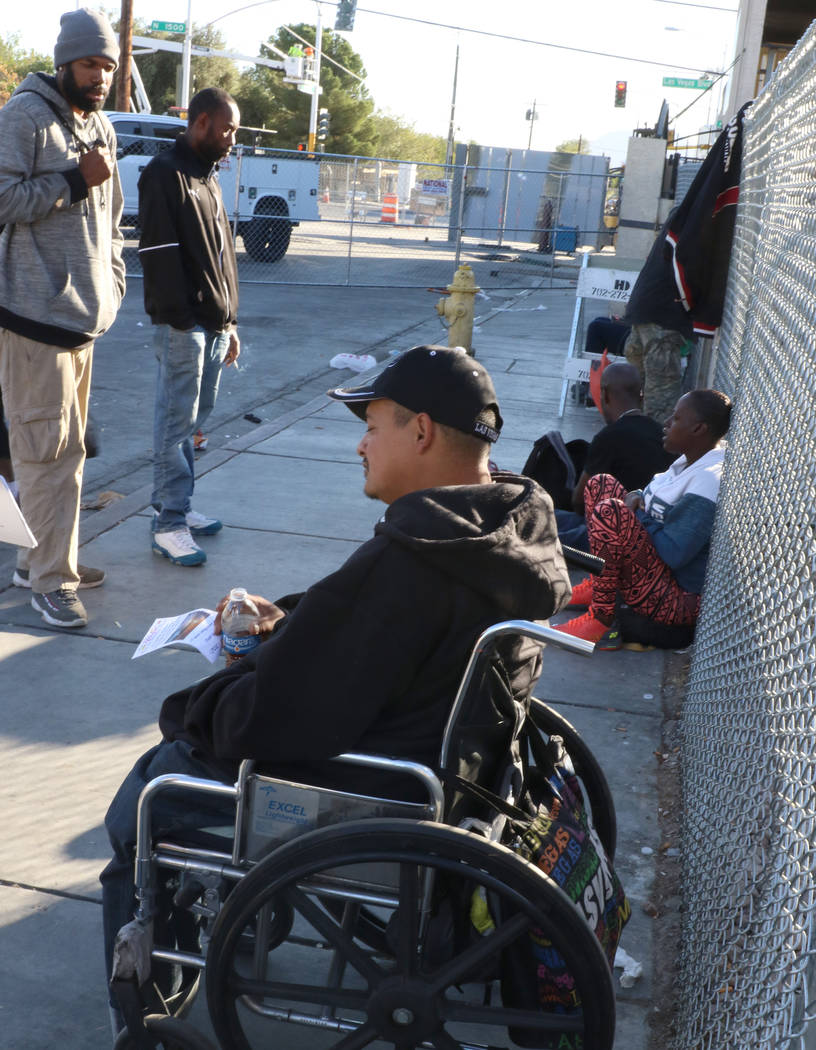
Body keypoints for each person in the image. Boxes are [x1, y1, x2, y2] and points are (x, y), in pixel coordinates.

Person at [100, 345, 572, 1031]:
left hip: (375, 787)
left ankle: (146, 1003)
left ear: (422, 432)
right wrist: (292, 620)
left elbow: (272, 718)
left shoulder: (415, 561)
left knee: (150, 791)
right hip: (438, 762)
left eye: (373, 426)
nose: (360, 445)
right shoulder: (502, 527)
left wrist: (204, 700)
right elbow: (365, 633)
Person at [0, 8, 124, 627]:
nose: (99, 75)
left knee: (69, 452)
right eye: (89, 64)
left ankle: (46, 561)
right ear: (64, 62)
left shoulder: (98, 123)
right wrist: (73, 180)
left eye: (107, 65)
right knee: (43, 455)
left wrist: (114, 284)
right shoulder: (24, 116)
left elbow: (114, 224)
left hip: (83, 321)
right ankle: (51, 580)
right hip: (33, 319)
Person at [138, 87, 241, 568]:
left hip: (214, 323)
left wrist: (231, 320)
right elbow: (158, 256)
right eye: (227, 129)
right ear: (201, 123)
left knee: (195, 422)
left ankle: (174, 504)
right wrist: (182, 319)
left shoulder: (209, 177)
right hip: (185, 326)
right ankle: (169, 525)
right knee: (175, 425)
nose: (231, 139)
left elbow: (223, 259)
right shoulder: (164, 173)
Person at [554, 388, 731, 649]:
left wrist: (634, 512)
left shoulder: (708, 479)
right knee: (601, 484)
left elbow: (674, 552)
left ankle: (603, 623)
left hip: (674, 598)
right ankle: (598, 584)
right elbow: (651, 498)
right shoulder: (688, 461)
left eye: (677, 418)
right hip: (652, 577)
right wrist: (637, 496)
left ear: (698, 429)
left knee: (611, 511)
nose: (667, 423)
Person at [554, 362, 674, 551]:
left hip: (617, 536)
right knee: (548, 518)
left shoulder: (608, 437)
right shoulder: (661, 433)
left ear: (605, 395)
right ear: (641, 395)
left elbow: (578, 500)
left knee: (544, 529)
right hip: (648, 530)